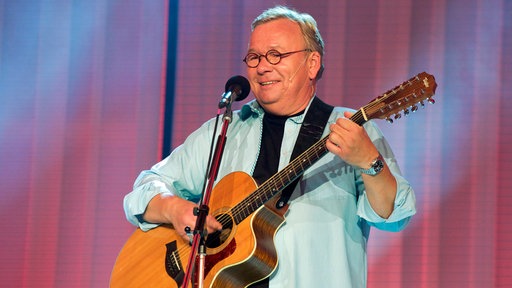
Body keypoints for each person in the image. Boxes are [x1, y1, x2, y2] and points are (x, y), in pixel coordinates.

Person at [123, 5, 416, 288]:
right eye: (254, 57)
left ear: (312, 63)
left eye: (276, 55)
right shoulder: (226, 130)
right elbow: (144, 189)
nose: (263, 67)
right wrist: (174, 209)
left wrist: (370, 162)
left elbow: (395, 217)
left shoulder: (351, 130)